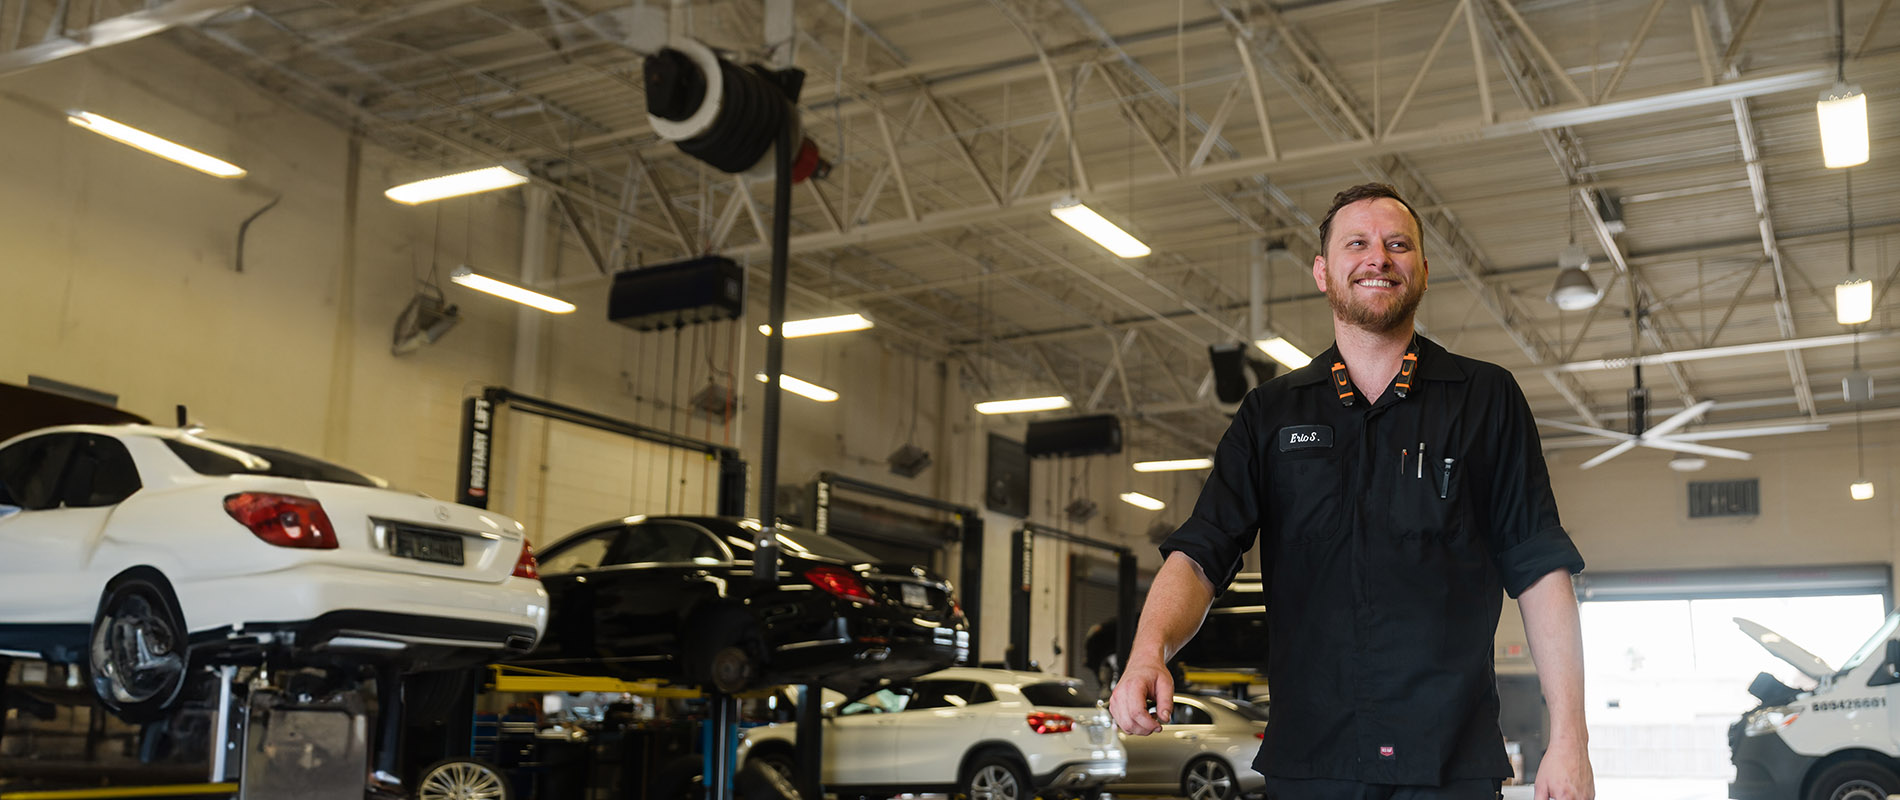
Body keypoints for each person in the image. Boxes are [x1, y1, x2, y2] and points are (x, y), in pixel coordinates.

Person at [1108, 183, 1593, 800]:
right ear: (1323, 271)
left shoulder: (1485, 399)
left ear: (1421, 269)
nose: (1378, 258)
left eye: (1397, 245)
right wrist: (1149, 652)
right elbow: (1204, 551)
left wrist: (1570, 737)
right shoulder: (1270, 414)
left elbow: (1538, 567)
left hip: (1449, 764)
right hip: (1313, 761)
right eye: (1356, 243)